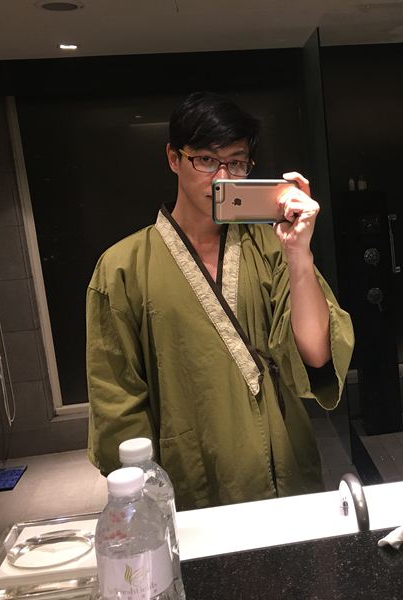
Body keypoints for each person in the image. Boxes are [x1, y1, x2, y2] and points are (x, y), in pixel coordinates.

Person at [86, 91, 354, 510]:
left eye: (236, 162)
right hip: (192, 475)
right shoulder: (123, 268)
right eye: (207, 160)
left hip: (283, 461)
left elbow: (317, 355)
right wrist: (141, 503)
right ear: (174, 158)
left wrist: (299, 253)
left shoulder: (271, 246)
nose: (222, 177)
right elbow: (117, 402)